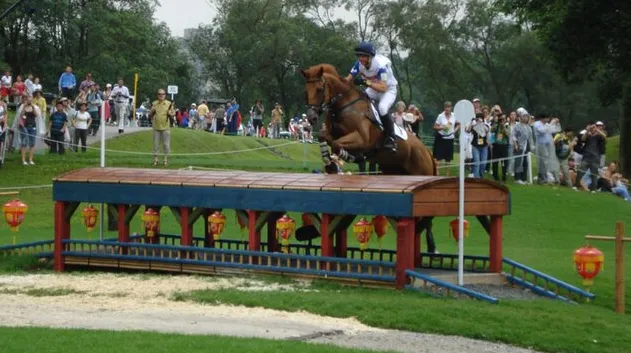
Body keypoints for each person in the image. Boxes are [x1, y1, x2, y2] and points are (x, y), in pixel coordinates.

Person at [345, 41, 398, 152]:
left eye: (364, 56)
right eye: (359, 56)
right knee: (359, 99)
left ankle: (392, 137)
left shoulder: (381, 66)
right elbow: (347, 80)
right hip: (374, 89)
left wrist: (365, 82)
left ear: (370, 56)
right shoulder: (359, 64)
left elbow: (383, 88)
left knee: (382, 108)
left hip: (388, 90)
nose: (361, 59)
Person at [149, 88, 174, 166]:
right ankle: (155, 160)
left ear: (165, 95)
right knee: (156, 145)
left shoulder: (169, 104)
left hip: (166, 126)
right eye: (159, 94)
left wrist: (170, 113)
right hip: (156, 126)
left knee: (166, 144)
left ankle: (165, 159)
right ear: (157, 95)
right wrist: (151, 111)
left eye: (163, 94)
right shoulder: (154, 103)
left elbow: (173, 114)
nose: (161, 95)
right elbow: (150, 115)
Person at [19, 95, 38, 165]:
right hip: (24, 126)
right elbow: (21, 115)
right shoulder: (22, 106)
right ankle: (23, 160)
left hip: (32, 127)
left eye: (30, 99)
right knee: (24, 143)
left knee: (32, 143)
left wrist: (33, 107)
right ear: (26, 100)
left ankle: (30, 159)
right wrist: (24, 106)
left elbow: (36, 115)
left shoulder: (34, 107)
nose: (29, 100)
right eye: (28, 99)